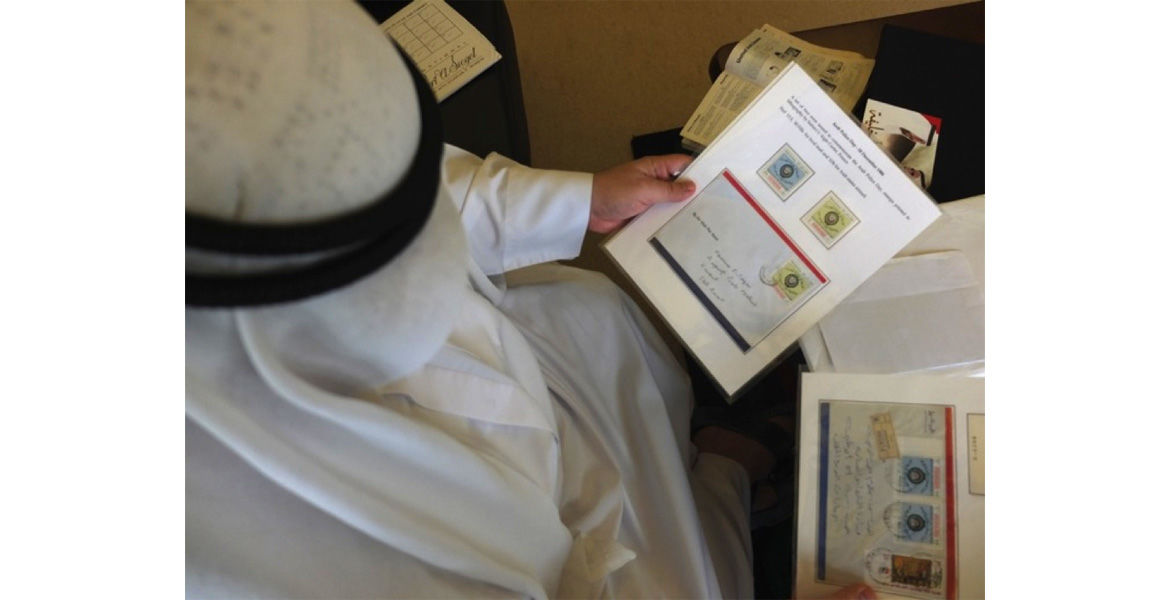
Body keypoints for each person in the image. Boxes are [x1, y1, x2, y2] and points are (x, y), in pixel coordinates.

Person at [186, 2, 868, 598]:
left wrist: (581, 200)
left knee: (599, 321)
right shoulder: (228, 541)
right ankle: (724, 479)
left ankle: (708, 468)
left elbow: (379, 168)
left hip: (501, 357)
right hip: (522, 525)